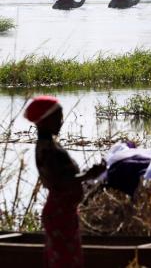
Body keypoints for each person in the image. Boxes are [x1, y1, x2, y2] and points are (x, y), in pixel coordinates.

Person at [24, 95, 106, 268]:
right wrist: (88, 175)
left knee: (65, 258)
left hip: (64, 212)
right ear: (44, 120)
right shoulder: (47, 149)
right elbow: (59, 182)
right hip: (59, 213)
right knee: (65, 261)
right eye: (57, 118)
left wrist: (88, 175)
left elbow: (64, 178)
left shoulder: (50, 146)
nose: (61, 122)